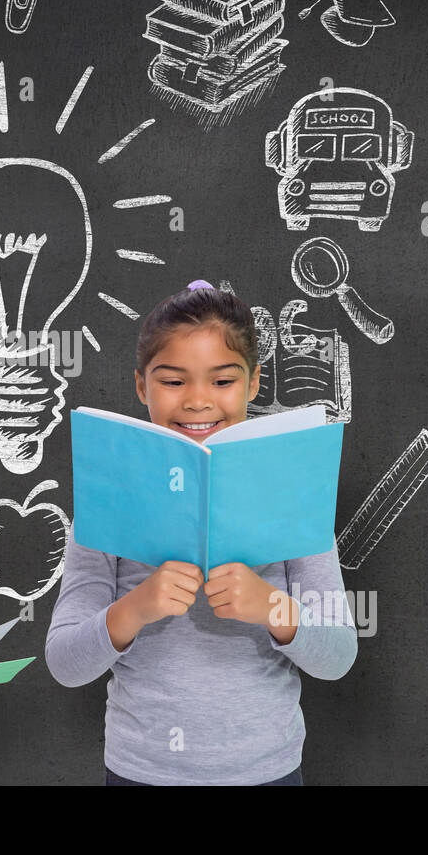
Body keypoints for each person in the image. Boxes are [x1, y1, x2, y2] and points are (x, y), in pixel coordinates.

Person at [45, 280, 358, 785]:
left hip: (267, 772)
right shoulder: (110, 504)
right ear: (142, 386)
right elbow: (64, 662)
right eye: (172, 382)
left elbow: (339, 655)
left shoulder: (291, 493)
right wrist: (137, 607)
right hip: (141, 772)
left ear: (254, 383)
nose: (196, 402)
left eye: (221, 381)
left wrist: (270, 606)